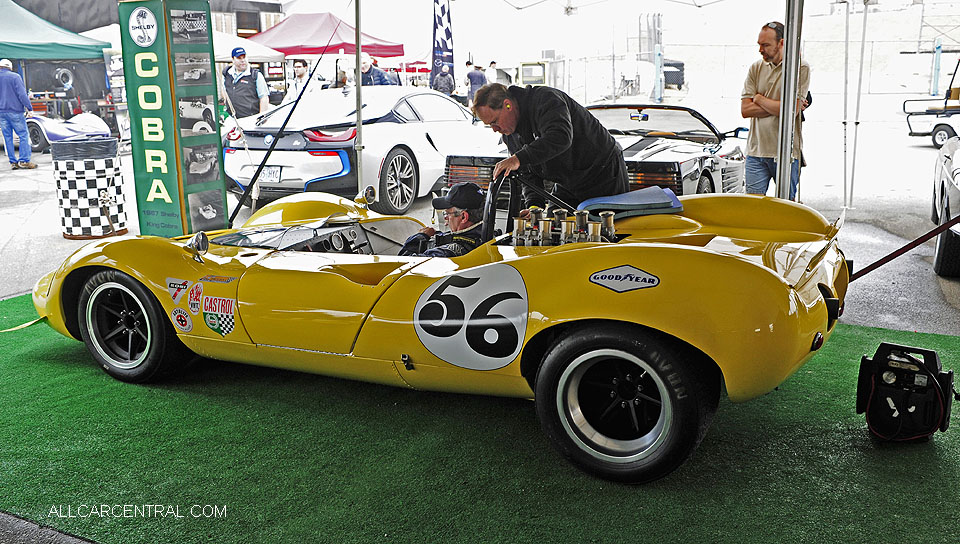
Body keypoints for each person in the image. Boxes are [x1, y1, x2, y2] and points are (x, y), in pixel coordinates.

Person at [472, 83, 628, 210]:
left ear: (507, 105)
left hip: (602, 173)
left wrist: (518, 158)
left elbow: (560, 137)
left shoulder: (546, 100)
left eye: (494, 121)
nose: (494, 129)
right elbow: (528, 172)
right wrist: (534, 206)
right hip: (568, 182)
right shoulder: (510, 135)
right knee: (551, 227)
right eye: (489, 125)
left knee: (603, 235)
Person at [740, 21, 810, 201]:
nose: (760, 50)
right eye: (759, 45)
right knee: (753, 207)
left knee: (786, 209)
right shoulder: (756, 68)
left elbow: (791, 111)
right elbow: (745, 109)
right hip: (756, 152)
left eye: (765, 45)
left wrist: (759, 99)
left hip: (787, 153)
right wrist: (779, 106)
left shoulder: (800, 68)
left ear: (782, 43)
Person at [399, 182, 486, 257]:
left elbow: (402, 264)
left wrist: (419, 237)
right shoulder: (488, 237)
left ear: (463, 217)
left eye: (447, 214)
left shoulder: (445, 253)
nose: (445, 219)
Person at [0, 59, 36, 170]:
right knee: (23, 135)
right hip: (15, 111)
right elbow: (22, 94)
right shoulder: (15, 77)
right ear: (10, 67)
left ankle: (13, 162)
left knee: (7, 137)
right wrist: (29, 108)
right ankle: (24, 161)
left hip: (1, 113)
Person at [222, 47, 269, 118]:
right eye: (239, 58)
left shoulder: (255, 75)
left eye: (244, 57)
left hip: (250, 119)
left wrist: (262, 118)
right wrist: (226, 102)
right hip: (232, 118)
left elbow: (264, 98)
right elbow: (223, 90)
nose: (242, 60)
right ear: (233, 59)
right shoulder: (226, 73)